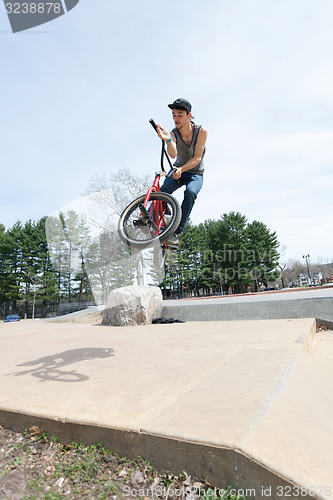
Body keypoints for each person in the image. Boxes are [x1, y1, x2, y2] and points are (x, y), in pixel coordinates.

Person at [156, 98, 207, 245]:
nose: (176, 118)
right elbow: (172, 155)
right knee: (163, 190)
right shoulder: (173, 133)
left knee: (190, 193)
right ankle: (149, 217)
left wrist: (182, 169)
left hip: (196, 174)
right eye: (173, 115)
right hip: (178, 170)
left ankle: (176, 232)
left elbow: (197, 158)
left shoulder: (201, 131)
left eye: (180, 115)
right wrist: (168, 140)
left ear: (188, 115)